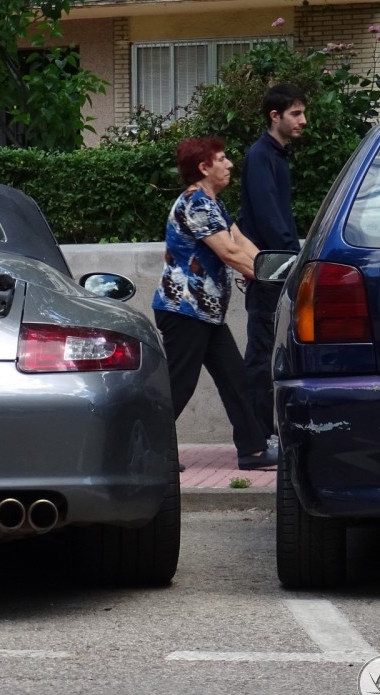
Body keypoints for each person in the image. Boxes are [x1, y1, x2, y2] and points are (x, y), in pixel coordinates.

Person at [152, 137, 278, 471]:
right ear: (204, 168)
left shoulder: (214, 204)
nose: (229, 164)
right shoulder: (195, 204)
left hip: (204, 312)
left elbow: (242, 243)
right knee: (179, 383)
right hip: (183, 310)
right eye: (222, 159)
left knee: (236, 379)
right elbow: (230, 253)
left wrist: (277, 271)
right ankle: (146, 451)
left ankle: (252, 451)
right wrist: (270, 278)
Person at [239, 83, 307, 442]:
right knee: (262, 354)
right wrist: (292, 262)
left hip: (278, 268)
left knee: (272, 352)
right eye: (296, 113)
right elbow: (268, 219)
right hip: (269, 272)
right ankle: (259, 437)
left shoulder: (276, 156)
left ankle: (265, 435)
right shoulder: (260, 156)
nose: (303, 120)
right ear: (274, 116)